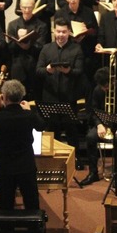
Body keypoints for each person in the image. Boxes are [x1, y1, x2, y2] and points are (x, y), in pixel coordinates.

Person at [0, 79, 45, 233]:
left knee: (5, 207)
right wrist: (30, 110)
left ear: (4, 98)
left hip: (5, 168)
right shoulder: (28, 116)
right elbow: (41, 126)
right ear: (21, 97)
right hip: (26, 166)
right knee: (32, 204)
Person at [81, 67, 117, 187]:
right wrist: (98, 125)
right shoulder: (98, 90)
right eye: (102, 87)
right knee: (90, 137)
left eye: (106, 86)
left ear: (112, 81)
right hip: (104, 124)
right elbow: (93, 110)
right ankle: (93, 173)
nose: (104, 89)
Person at [36, 17, 84, 149]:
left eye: (64, 32)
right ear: (53, 31)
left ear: (69, 32)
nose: (60, 35)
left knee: (71, 130)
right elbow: (38, 70)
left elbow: (79, 71)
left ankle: (75, 159)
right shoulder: (46, 49)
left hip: (69, 97)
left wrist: (68, 71)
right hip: (50, 97)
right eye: (58, 31)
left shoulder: (76, 49)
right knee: (52, 131)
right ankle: (53, 160)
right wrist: (47, 70)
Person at [54, 0, 99, 92]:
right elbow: (56, 34)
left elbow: (96, 31)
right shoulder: (60, 13)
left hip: (86, 51)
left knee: (88, 83)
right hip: (68, 52)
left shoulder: (88, 12)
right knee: (68, 85)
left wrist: (86, 32)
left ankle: (89, 106)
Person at [7, 0, 48, 101]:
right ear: (20, 7)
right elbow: (10, 48)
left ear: (34, 6)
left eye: (29, 7)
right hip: (18, 65)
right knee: (18, 96)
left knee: (37, 96)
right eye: (24, 7)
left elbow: (41, 47)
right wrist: (19, 41)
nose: (26, 10)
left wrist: (28, 43)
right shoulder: (12, 25)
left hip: (34, 64)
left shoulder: (41, 25)